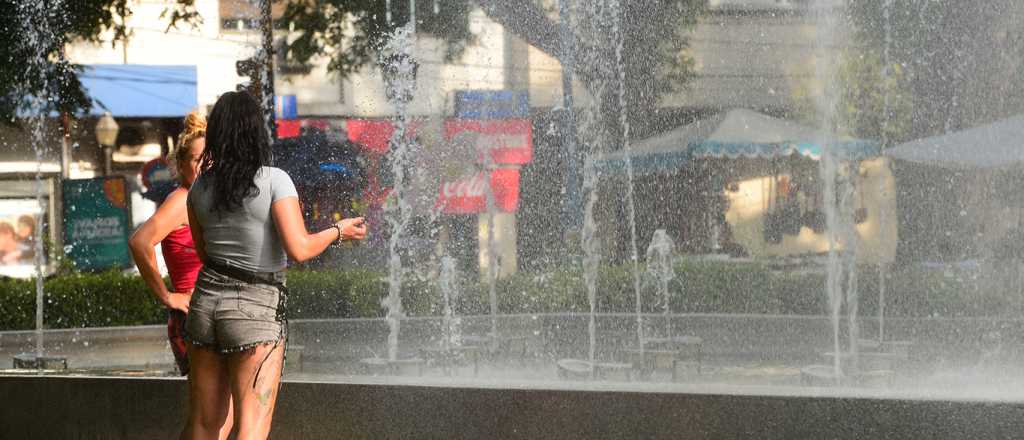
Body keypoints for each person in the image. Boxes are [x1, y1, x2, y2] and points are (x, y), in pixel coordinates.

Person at [184, 91, 366, 440]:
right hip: (255, 309)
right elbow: (299, 248)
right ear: (256, 131)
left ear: (217, 132)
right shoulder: (273, 180)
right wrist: (338, 231)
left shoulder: (200, 187)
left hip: (204, 304)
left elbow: (204, 254)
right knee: (251, 425)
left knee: (204, 423)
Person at [127, 112, 234, 439]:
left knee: (213, 418)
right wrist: (166, 295)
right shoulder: (181, 200)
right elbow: (140, 242)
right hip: (193, 315)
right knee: (212, 419)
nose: (205, 165)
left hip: (208, 314)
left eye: (210, 158)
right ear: (180, 164)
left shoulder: (202, 198)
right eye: (197, 159)